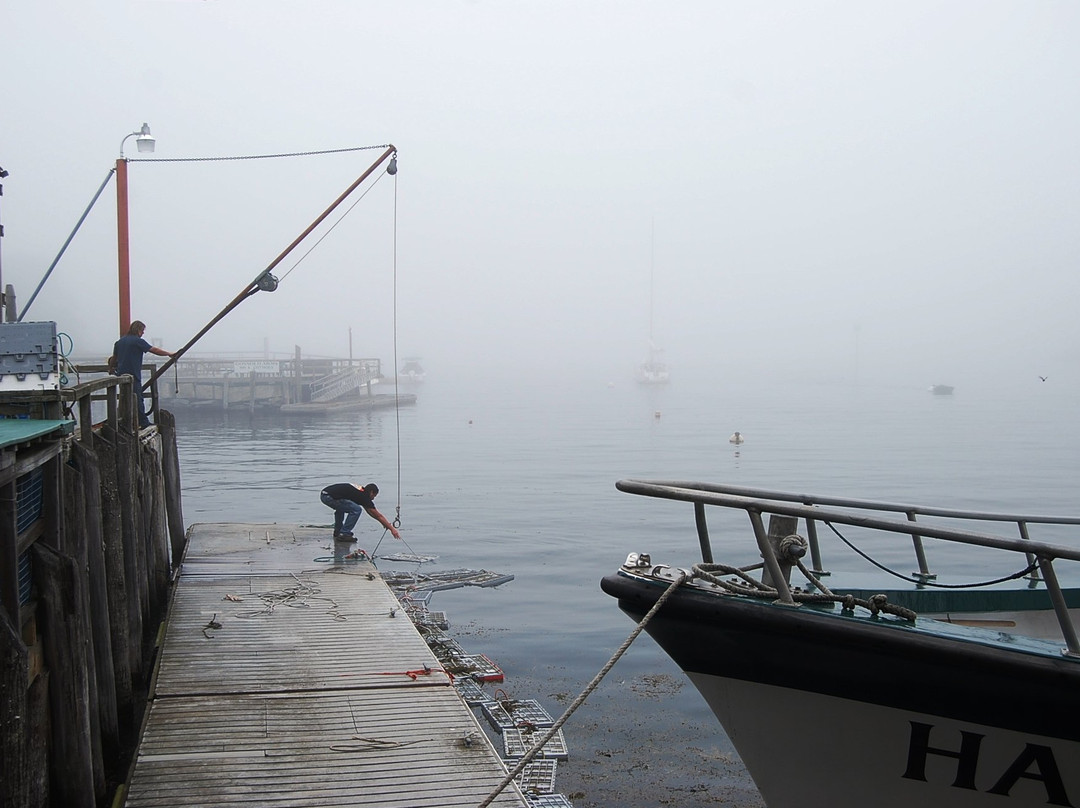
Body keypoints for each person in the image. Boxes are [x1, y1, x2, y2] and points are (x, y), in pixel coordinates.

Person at [111, 320, 175, 427]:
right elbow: (154, 350)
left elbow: (114, 358)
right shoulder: (138, 341)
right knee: (137, 398)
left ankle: (125, 421)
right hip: (133, 374)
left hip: (121, 374)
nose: (143, 333)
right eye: (142, 330)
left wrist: (110, 368)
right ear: (138, 330)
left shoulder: (119, 342)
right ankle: (143, 422)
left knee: (124, 396)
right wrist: (169, 354)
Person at [320, 482, 402, 541]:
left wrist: (383, 524)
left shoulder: (360, 492)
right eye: (374, 496)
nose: (373, 498)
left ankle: (338, 531)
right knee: (356, 509)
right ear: (371, 492)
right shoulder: (364, 497)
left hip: (325, 494)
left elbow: (370, 512)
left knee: (341, 508)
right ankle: (344, 533)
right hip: (329, 497)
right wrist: (392, 529)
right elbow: (377, 515)